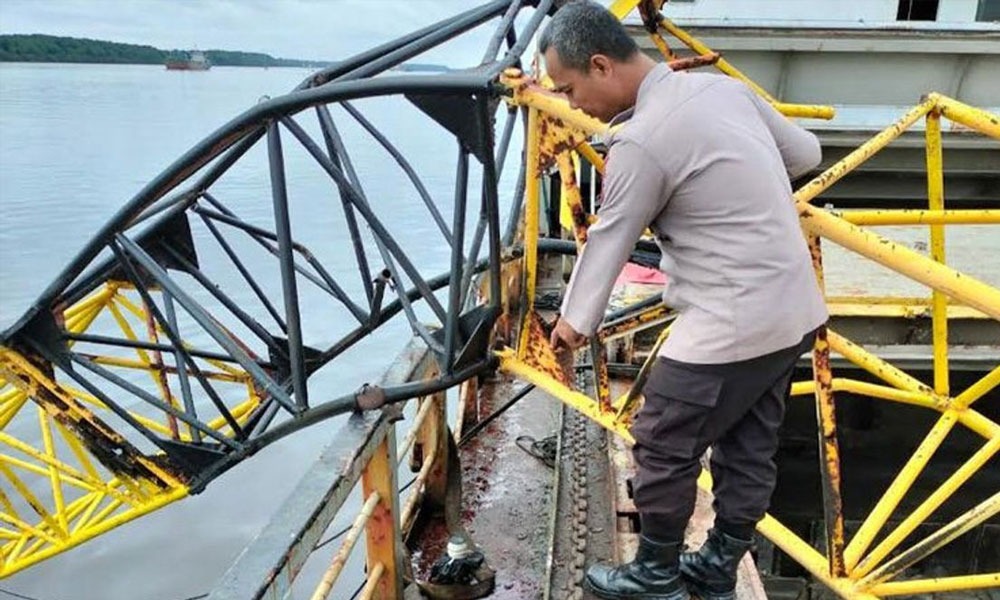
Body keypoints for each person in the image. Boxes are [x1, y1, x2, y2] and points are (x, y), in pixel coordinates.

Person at [540, 2, 828, 599]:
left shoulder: (642, 141)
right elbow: (805, 155)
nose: (570, 106)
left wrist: (569, 327)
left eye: (569, 89)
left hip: (732, 320)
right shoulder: (723, 91)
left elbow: (609, 239)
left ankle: (656, 575)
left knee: (662, 441)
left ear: (600, 66)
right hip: (795, 309)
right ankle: (717, 566)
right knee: (749, 442)